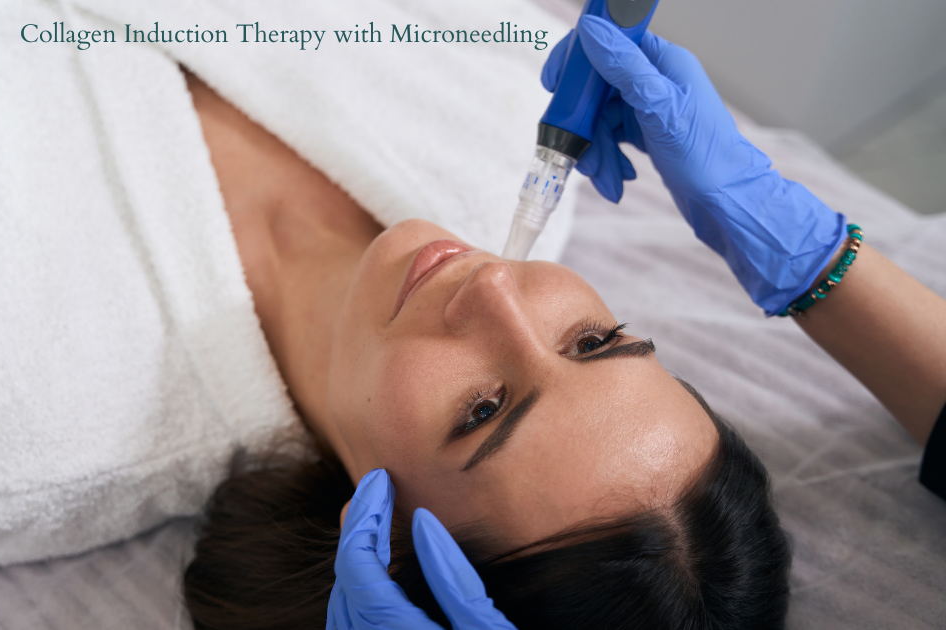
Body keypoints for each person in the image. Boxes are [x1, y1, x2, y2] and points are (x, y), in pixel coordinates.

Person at [182, 16, 946, 630]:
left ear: (376, 542)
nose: (496, 291)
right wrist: (813, 258)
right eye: (593, 341)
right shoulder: (486, 115)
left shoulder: (73, 405)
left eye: (482, 409)